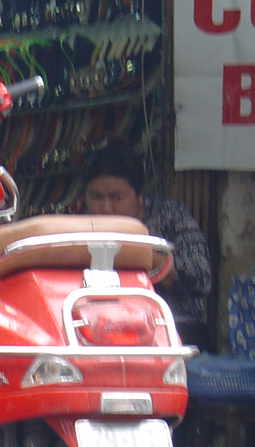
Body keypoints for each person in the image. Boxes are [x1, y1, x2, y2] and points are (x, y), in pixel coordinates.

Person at [82, 143, 213, 350]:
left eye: (116, 197)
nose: (106, 208)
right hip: (103, 329)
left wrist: (140, 253)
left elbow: (202, 277)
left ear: (140, 196)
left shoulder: (171, 216)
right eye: (96, 197)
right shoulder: (81, 227)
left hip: (175, 328)